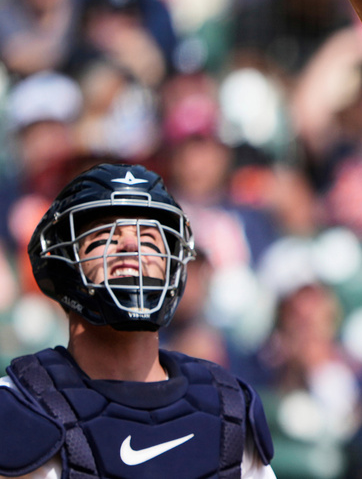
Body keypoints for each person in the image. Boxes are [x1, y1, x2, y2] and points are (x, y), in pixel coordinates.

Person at [0, 162, 275, 478]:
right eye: (104, 234)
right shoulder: (21, 409)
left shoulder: (228, 410)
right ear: (65, 265)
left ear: (172, 266)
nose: (130, 245)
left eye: (148, 238)